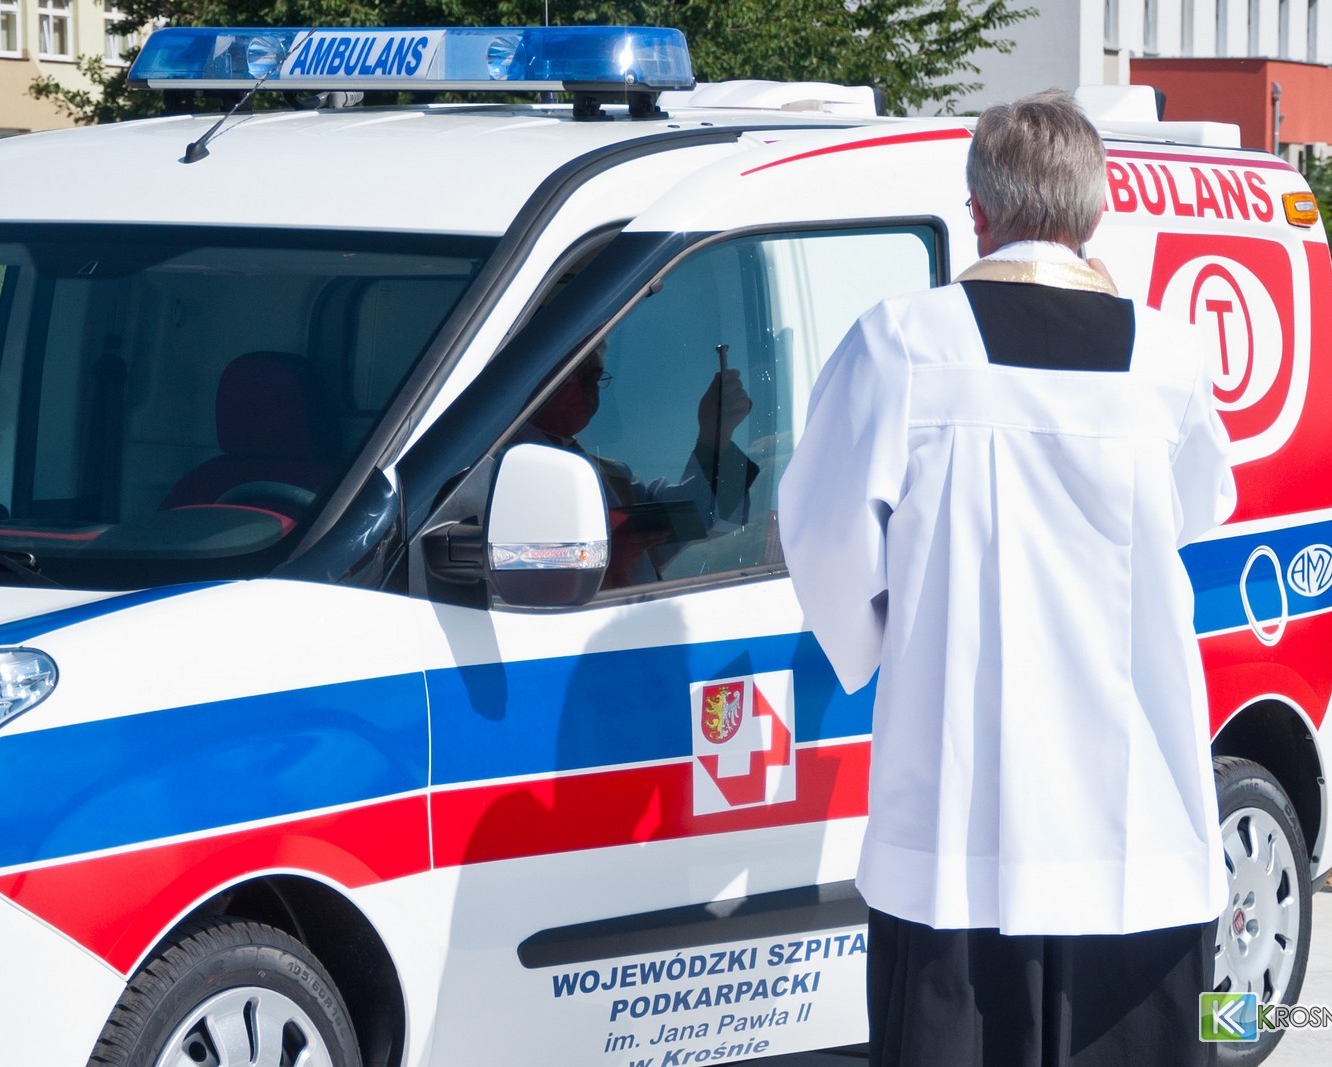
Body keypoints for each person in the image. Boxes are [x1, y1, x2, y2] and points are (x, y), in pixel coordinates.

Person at [778, 90, 1237, 1066]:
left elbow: (821, 536)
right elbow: (1199, 510)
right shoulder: (1167, 355)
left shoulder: (903, 342)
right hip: (1134, 822)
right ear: (1097, 213)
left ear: (976, 211)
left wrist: (891, 632)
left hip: (957, 817)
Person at [517, 342, 757, 586]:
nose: (588, 388)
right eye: (575, 374)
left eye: (595, 378)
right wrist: (600, 557)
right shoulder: (500, 468)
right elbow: (506, 562)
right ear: (538, 378)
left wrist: (714, 433)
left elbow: (705, 517)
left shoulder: (614, 477)